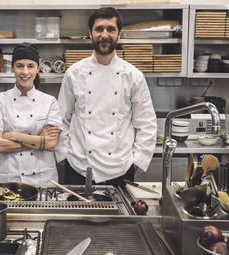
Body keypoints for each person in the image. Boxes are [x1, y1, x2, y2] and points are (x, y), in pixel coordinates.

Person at [56, 7, 157, 187]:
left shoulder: (133, 76)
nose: (105, 34)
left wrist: (135, 163)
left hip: (120, 169)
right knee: (77, 216)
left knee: (119, 216)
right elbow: (62, 118)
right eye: (99, 29)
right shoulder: (74, 73)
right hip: (79, 167)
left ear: (119, 34)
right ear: (90, 33)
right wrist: (64, 156)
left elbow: (146, 123)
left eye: (110, 29)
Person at [0, 42, 62, 187]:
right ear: (13, 68)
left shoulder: (50, 102)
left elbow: (51, 144)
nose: (25, 72)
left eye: (30, 66)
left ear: (37, 68)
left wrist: (13, 136)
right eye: (20, 66)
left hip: (43, 180)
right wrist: (39, 140)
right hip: (9, 179)